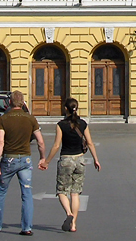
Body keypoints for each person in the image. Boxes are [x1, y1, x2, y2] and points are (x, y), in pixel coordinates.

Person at [0, 91, 46, 236]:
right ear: (23, 103)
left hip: (8, 159)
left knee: (1, 192)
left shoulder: (3, 119)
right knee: (27, 193)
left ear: (10, 103)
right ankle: (27, 228)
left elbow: (0, 142)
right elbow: (40, 141)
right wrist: (42, 157)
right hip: (25, 159)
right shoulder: (31, 119)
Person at [39, 98, 100, 233]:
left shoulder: (61, 125)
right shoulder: (83, 124)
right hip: (80, 160)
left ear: (65, 109)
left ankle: (69, 213)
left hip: (66, 160)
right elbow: (90, 143)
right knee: (75, 193)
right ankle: (73, 224)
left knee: (61, 191)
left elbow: (56, 146)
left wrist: (47, 161)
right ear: (76, 109)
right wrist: (96, 159)